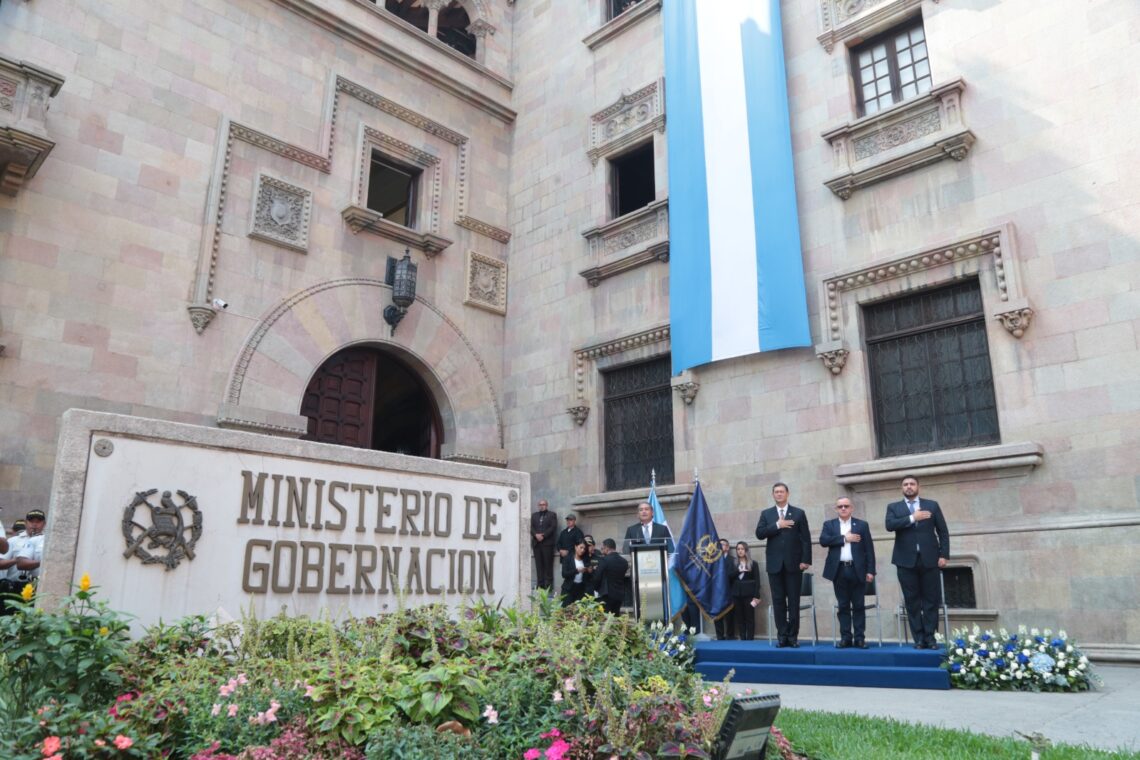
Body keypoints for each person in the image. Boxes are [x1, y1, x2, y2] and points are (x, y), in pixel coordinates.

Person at [885, 475, 949, 650]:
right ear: (901, 488)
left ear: (918, 487)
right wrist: (913, 517)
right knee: (912, 601)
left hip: (930, 560)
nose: (909, 487)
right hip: (905, 561)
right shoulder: (894, 507)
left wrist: (944, 555)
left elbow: (943, 532)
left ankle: (931, 638)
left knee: (931, 601)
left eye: (912, 484)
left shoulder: (932, 505)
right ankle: (919, 639)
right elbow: (890, 525)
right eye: (905, 484)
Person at [755, 482, 812, 647]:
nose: (779, 494)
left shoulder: (799, 513)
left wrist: (805, 560)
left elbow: (806, 539)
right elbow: (759, 533)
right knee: (778, 600)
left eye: (781, 491)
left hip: (794, 564)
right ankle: (782, 635)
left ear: (787, 494)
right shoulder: (766, 514)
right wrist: (777, 525)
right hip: (774, 565)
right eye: (776, 492)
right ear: (773, 495)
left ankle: (793, 637)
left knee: (794, 601)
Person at [820, 497, 877, 649]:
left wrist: (871, 570)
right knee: (843, 605)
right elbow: (824, 540)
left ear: (852, 508)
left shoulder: (862, 525)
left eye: (846, 506)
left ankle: (859, 638)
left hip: (857, 569)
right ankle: (845, 637)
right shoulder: (829, 525)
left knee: (858, 605)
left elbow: (869, 549)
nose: (843, 508)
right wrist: (845, 538)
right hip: (839, 570)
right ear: (836, 509)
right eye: (840, 506)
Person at [730, 542, 761, 641]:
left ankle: (750, 638)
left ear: (746, 550)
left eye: (742, 549)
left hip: (749, 594)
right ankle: (743, 638)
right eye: (738, 549)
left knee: (750, 617)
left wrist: (756, 595)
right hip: (736, 594)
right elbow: (728, 577)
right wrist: (738, 571)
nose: (740, 551)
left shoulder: (753, 563)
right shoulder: (733, 563)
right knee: (739, 617)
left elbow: (757, 580)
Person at [14, 509, 46, 590]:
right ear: (26, 523)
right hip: (19, 583)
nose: (34, 524)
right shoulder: (13, 541)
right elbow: (20, 563)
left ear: (44, 524)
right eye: (31, 521)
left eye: (38, 522)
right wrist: (44, 562)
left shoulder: (47, 540)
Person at [530, 498, 558, 591]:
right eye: (540, 505)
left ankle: (549, 587)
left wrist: (544, 535)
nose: (542, 506)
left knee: (548, 565)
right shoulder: (534, 515)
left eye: (543, 504)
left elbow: (553, 527)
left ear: (546, 505)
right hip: (537, 544)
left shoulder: (552, 515)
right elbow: (531, 527)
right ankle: (540, 586)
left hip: (547, 544)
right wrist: (535, 535)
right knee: (539, 566)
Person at [595, 538, 629, 614]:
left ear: (607, 548)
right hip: (619, 595)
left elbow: (597, 577)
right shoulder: (624, 562)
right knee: (616, 616)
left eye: (602, 548)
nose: (602, 551)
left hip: (607, 595)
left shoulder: (604, 560)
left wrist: (596, 589)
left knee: (606, 617)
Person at [713, 538, 735, 640]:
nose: (721, 546)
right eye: (719, 544)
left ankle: (730, 635)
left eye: (723, 544)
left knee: (730, 615)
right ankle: (719, 636)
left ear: (727, 547)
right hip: (716, 592)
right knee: (717, 614)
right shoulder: (713, 560)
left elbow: (733, 574)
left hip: (729, 590)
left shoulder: (733, 560)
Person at [561, 539, 590, 607]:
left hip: (580, 589)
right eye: (581, 547)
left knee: (578, 610)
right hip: (569, 588)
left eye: (584, 549)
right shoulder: (568, 558)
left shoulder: (585, 560)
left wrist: (588, 571)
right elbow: (564, 574)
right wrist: (576, 571)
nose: (582, 550)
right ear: (575, 547)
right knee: (566, 610)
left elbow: (587, 577)